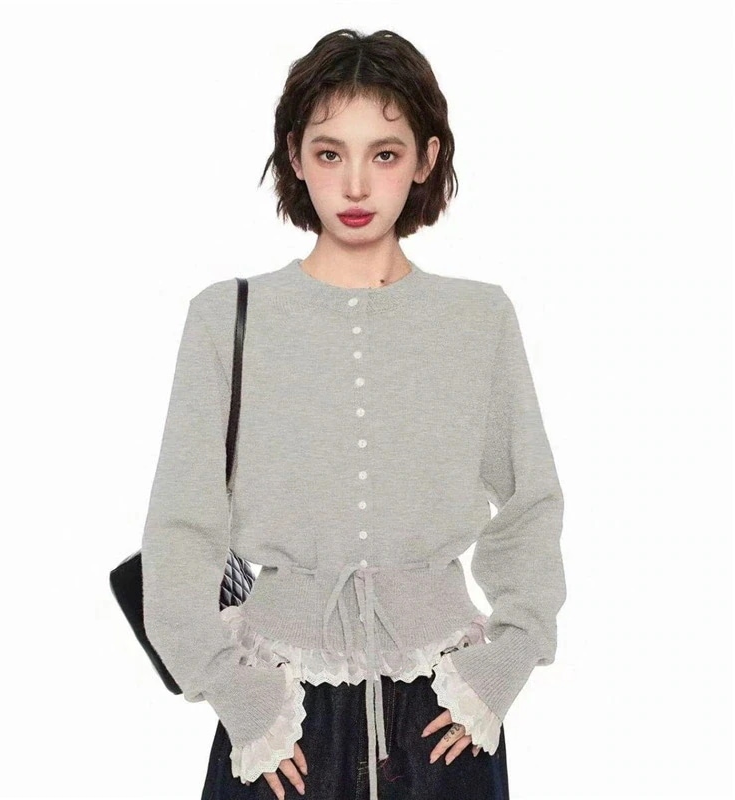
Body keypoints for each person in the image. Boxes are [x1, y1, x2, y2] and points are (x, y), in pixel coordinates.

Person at [140, 27, 566, 800]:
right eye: (331, 153)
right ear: (296, 157)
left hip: (445, 711)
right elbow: (180, 533)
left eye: (386, 154)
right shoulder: (225, 319)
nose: (358, 186)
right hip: (278, 720)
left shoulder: (478, 320)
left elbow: (531, 504)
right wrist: (239, 697)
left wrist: (500, 668)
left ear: (427, 159)